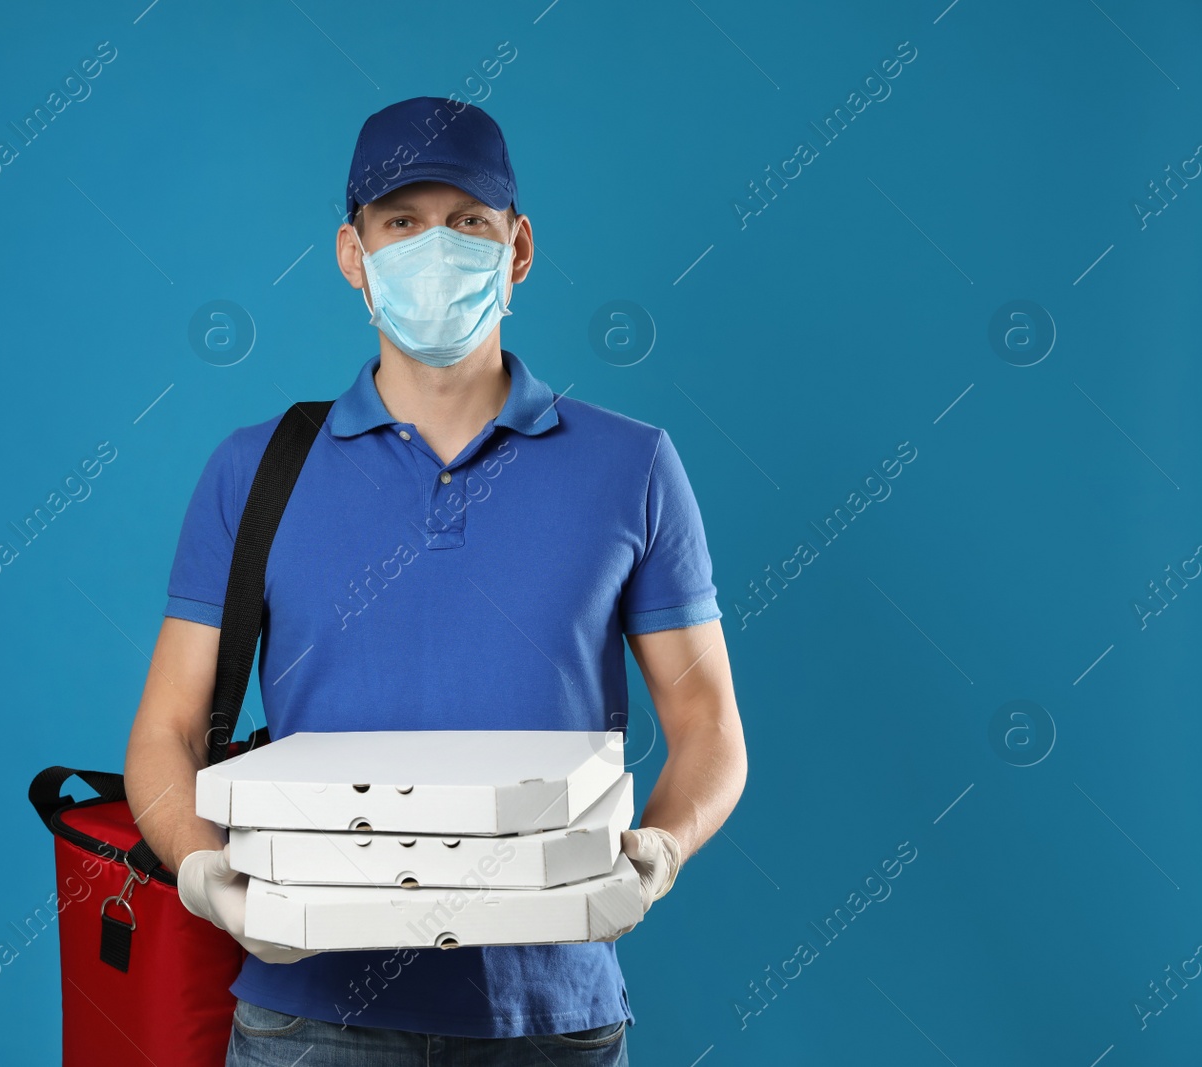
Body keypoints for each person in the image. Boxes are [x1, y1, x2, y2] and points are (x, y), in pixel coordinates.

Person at [124, 95, 747, 1067]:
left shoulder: (630, 466)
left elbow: (709, 722)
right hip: (309, 1017)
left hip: (551, 1018)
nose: (434, 248)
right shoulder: (254, 471)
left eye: (468, 222)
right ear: (352, 253)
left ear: (519, 247)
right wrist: (206, 871)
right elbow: (164, 729)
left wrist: (660, 847)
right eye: (401, 223)